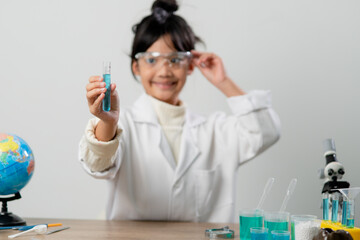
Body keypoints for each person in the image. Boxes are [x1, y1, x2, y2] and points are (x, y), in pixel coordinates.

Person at [79, 0, 281, 223]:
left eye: (175, 60)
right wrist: (107, 122)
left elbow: (266, 132)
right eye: (152, 60)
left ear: (190, 65)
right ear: (136, 66)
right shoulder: (124, 123)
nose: (164, 71)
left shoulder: (215, 130)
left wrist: (223, 82)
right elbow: (96, 165)